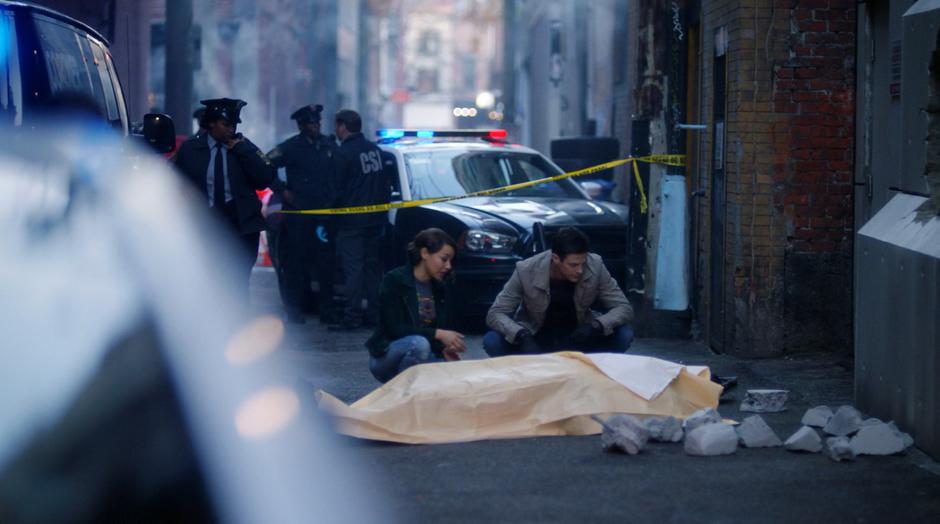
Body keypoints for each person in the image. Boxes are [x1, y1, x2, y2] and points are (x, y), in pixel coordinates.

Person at [173, 98, 275, 301]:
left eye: (234, 125)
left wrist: (242, 150)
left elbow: (265, 177)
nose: (231, 129)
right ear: (211, 123)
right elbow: (175, 182)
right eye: (226, 125)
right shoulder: (191, 149)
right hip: (206, 225)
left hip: (240, 225)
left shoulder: (244, 148)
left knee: (237, 281)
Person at [484, 227, 634, 356]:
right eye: (573, 265)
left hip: (579, 335)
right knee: (492, 341)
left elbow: (624, 308)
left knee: (624, 334)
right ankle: (522, 374)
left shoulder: (595, 265)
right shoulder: (526, 270)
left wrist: (596, 325)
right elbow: (495, 313)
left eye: (583, 263)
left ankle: (596, 370)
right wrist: (521, 335)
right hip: (537, 336)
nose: (580, 270)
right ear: (555, 258)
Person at [267, 104, 343, 324]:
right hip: (298, 215)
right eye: (311, 123)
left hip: (323, 216)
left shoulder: (328, 144)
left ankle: (327, 311)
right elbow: (264, 164)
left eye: (318, 122)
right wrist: (282, 191)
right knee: (296, 265)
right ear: (301, 126)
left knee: (325, 263)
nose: (316, 126)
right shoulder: (291, 147)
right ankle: (295, 311)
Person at [365, 228, 465, 383]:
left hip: (422, 354)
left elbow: (436, 328)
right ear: (425, 253)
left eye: (450, 261)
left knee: (455, 373)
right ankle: (403, 396)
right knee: (419, 344)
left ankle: (410, 394)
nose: (448, 266)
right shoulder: (395, 280)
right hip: (387, 355)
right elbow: (395, 328)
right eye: (444, 259)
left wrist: (444, 350)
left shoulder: (441, 286)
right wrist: (439, 334)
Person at [329, 109, 391, 330]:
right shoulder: (375, 150)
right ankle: (374, 315)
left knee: (353, 269)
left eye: (337, 125)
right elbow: (385, 186)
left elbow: (336, 189)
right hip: (375, 222)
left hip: (351, 222)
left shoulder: (343, 153)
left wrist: (330, 217)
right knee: (372, 269)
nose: (335, 130)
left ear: (343, 126)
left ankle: (352, 316)